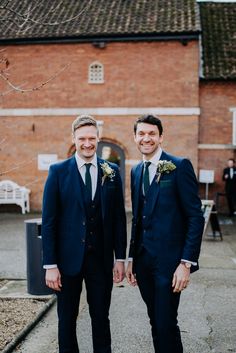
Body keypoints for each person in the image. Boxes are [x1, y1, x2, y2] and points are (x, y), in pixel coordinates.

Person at [42, 115, 127, 353]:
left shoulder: (112, 170)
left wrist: (120, 258)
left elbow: (119, 219)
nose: (87, 143)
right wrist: (50, 264)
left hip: (100, 260)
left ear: (98, 138)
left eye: (92, 138)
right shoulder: (58, 171)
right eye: (82, 138)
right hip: (66, 260)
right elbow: (48, 222)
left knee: (101, 317)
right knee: (66, 319)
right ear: (74, 139)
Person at [126, 114, 204, 353]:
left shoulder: (179, 166)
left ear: (161, 137)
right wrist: (131, 258)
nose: (146, 138)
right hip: (143, 261)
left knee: (166, 322)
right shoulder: (136, 171)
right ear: (135, 137)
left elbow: (195, 217)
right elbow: (137, 219)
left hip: (170, 264)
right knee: (155, 321)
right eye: (142, 134)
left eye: (152, 134)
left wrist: (186, 263)